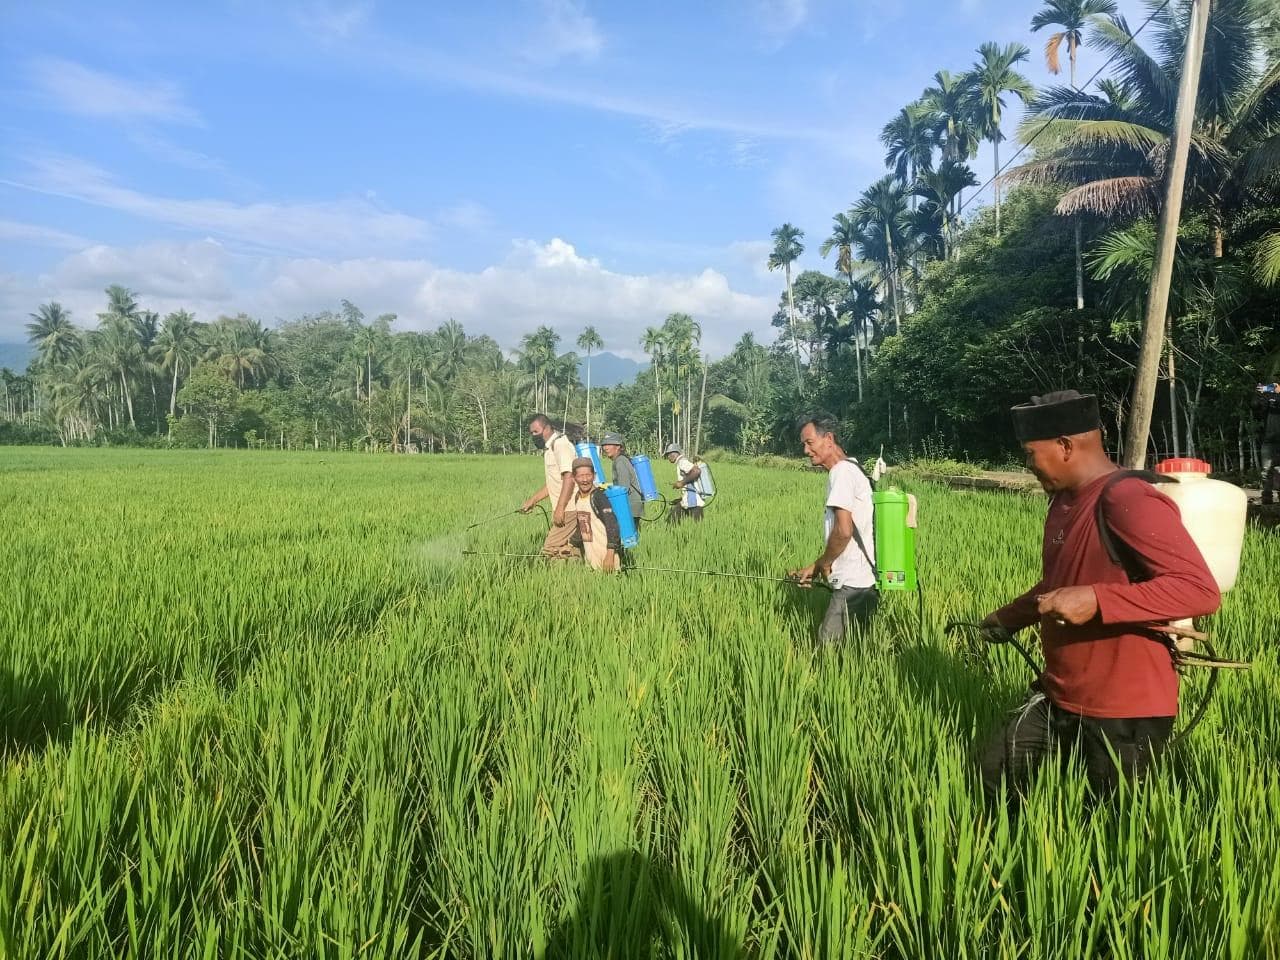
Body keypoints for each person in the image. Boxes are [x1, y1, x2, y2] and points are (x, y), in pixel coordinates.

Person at [978, 390, 1221, 800]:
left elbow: (1199, 590)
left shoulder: (1126, 498)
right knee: (993, 773)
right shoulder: (1063, 503)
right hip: (1062, 693)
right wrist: (1010, 617)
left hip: (1124, 710)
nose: (1028, 465)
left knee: (1108, 826)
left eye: (1030, 453)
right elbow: (1061, 580)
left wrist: (1096, 599)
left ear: (1066, 446)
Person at [788, 413, 878, 644]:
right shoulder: (855, 468)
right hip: (863, 584)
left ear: (828, 438)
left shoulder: (841, 472)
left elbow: (844, 531)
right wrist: (817, 566)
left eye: (809, 443)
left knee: (828, 658)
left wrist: (825, 563)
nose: (806, 451)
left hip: (852, 585)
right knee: (852, 654)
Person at [521, 413, 578, 558]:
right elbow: (554, 483)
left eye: (536, 432)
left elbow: (569, 477)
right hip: (566, 507)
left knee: (550, 548)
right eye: (532, 433)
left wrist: (560, 508)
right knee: (566, 548)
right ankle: (572, 573)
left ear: (546, 428)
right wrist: (532, 501)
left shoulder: (561, 445)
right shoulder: (550, 449)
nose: (534, 436)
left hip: (570, 507)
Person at [568, 457, 623, 572]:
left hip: (607, 557)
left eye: (588, 475)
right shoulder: (578, 497)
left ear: (594, 476)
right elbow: (582, 525)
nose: (585, 480)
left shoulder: (599, 497)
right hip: (591, 557)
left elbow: (612, 524)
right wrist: (571, 543)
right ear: (573, 478)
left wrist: (610, 554)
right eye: (580, 476)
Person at [600, 432, 644, 532]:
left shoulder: (620, 461)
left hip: (629, 506)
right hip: (630, 505)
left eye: (609, 444)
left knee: (628, 537)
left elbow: (623, 487)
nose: (605, 448)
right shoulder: (619, 460)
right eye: (604, 445)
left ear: (618, 446)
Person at [664, 443, 704, 523]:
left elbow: (696, 471)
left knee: (697, 529)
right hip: (687, 501)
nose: (668, 457)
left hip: (694, 503)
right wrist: (680, 499)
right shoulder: (681, 462)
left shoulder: (682, 462)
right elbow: (689, 484)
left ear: (675, 453)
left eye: (668, 454)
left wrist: (681, 483)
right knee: (671, 522)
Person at [1257, 383, 1280, 505]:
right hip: (1269, 439)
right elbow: (1256, 408)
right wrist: (1262, 397)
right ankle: (1266, 499)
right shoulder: (1269, 398)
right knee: (1266, 470)